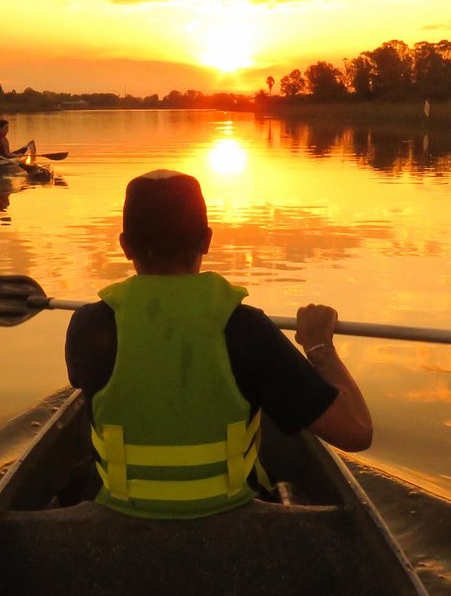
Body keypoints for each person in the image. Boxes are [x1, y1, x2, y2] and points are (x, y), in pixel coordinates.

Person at [65, 169, 372, 520]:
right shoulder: (246, 328)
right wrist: (320, 347)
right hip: (230, 518)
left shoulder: (88, 325)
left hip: (119, 517)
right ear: (207, 240)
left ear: (125, 245)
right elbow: (356, 432)